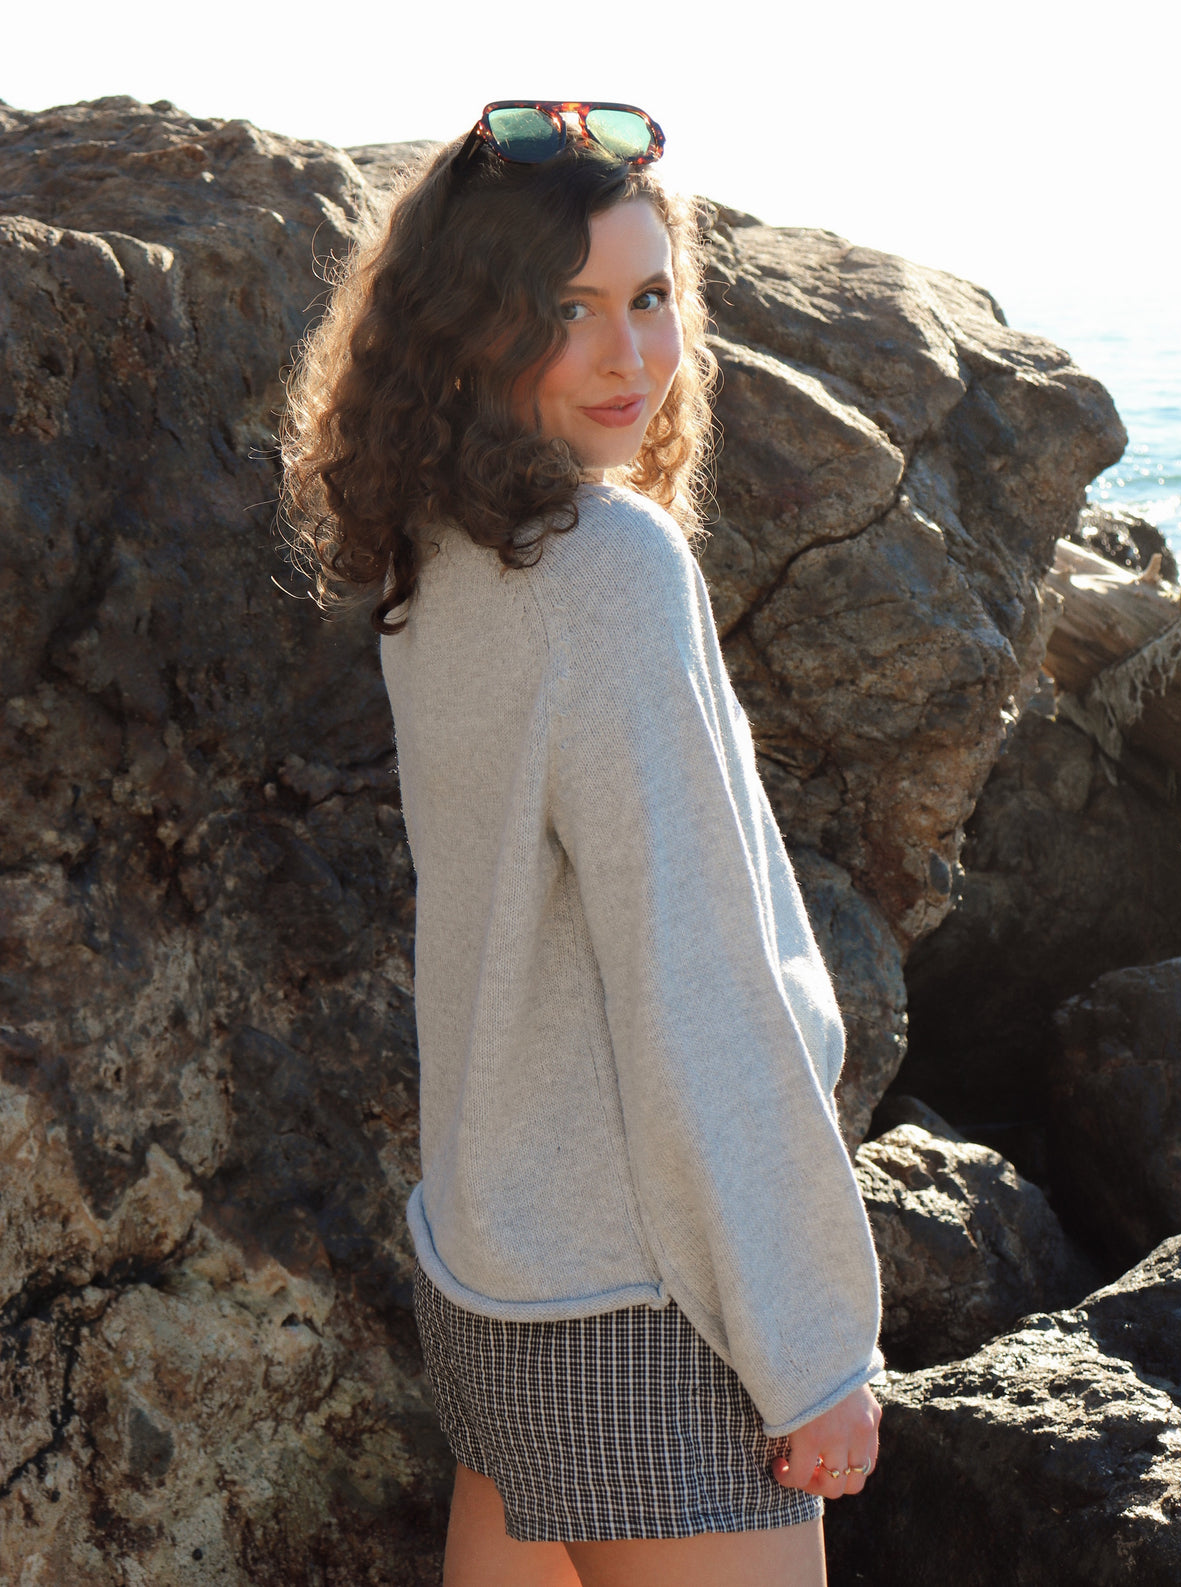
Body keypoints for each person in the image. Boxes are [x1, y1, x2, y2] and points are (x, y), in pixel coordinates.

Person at [280, 101, 883, 1587]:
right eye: (570, 312)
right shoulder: (606, 568)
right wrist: (810, 1341)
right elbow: (694, 977)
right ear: (475, 330)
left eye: (652, 298)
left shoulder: (439, 547)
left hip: (499, 1280)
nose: (630, 357)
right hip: (650, 1299)